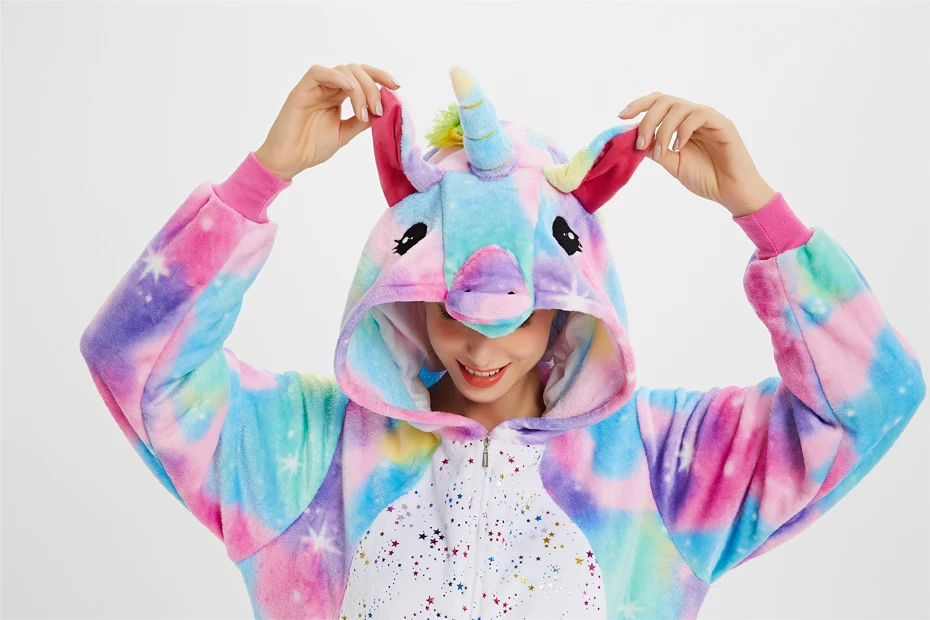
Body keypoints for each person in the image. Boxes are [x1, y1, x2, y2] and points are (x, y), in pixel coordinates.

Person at [79, 62, 925, 619]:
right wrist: (261, 178)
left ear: (568, 301)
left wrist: (760, 211)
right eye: (452, 309)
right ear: (406, 289)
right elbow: (135, 360)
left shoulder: (658, 462)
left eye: (516, 316)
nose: (483, 351)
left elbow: (867, 403)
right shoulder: (307, 453)